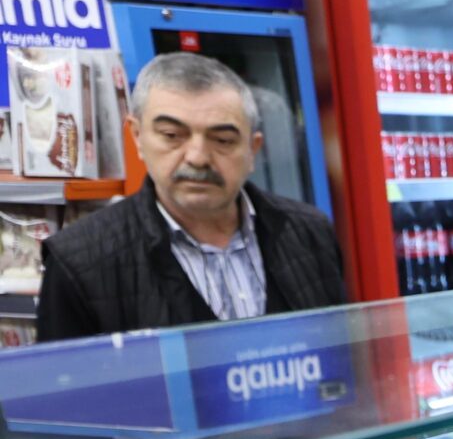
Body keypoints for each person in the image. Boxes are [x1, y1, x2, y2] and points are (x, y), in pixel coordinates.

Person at [36, 52, 345, 340]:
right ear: (138, 137)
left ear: (252, 150)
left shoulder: (309, 233)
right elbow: (63, 392)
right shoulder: (79, 262)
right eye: (172, 135)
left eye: (222, 140)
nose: (197, 157)